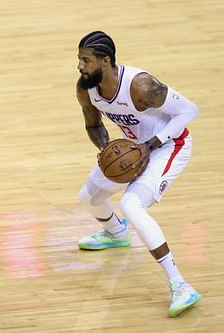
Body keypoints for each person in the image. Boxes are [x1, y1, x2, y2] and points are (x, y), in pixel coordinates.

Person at [75, 31, 201, 317]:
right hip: (132, 150)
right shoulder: (87, 89)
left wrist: (150, 145)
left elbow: (188, 112)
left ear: (105, 61)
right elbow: (94, 126)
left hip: (169, 145)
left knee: (131, 204)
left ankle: (180, 285)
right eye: (78, 59)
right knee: (89, 197)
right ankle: (116, 233)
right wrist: (108, 149)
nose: (80, 66)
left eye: (85, 60)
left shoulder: (141, 87)